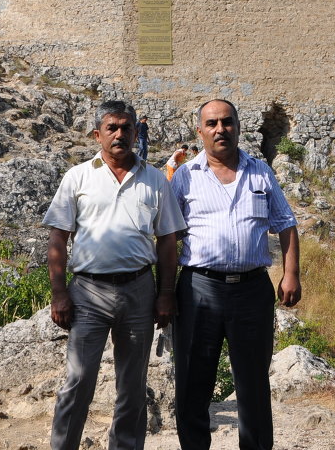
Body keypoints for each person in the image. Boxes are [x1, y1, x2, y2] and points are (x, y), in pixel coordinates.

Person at [42, 100, 187, 450]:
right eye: (112, 128)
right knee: (77, 381)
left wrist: (166, 293)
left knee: (132, 386)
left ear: (137, 132)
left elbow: (167, 242)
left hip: (139, 292)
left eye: (127, 128)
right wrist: (59, 293)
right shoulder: (77, 177)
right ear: (97, 134)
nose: (120, 134)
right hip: (88, 294)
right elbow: (58, 239)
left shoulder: (154, 179)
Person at [170, 99, 301, 450]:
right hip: (198, 289)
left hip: (252, 291)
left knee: (254, 385)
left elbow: (286, 224)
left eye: (227, 122)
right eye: (211, 123)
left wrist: (291, 274)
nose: (220, 129)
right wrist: (164, 292)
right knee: (193, 383)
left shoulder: (260, 172)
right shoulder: (184, 177)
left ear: (238, 127)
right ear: (200, 131)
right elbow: (167, 237)